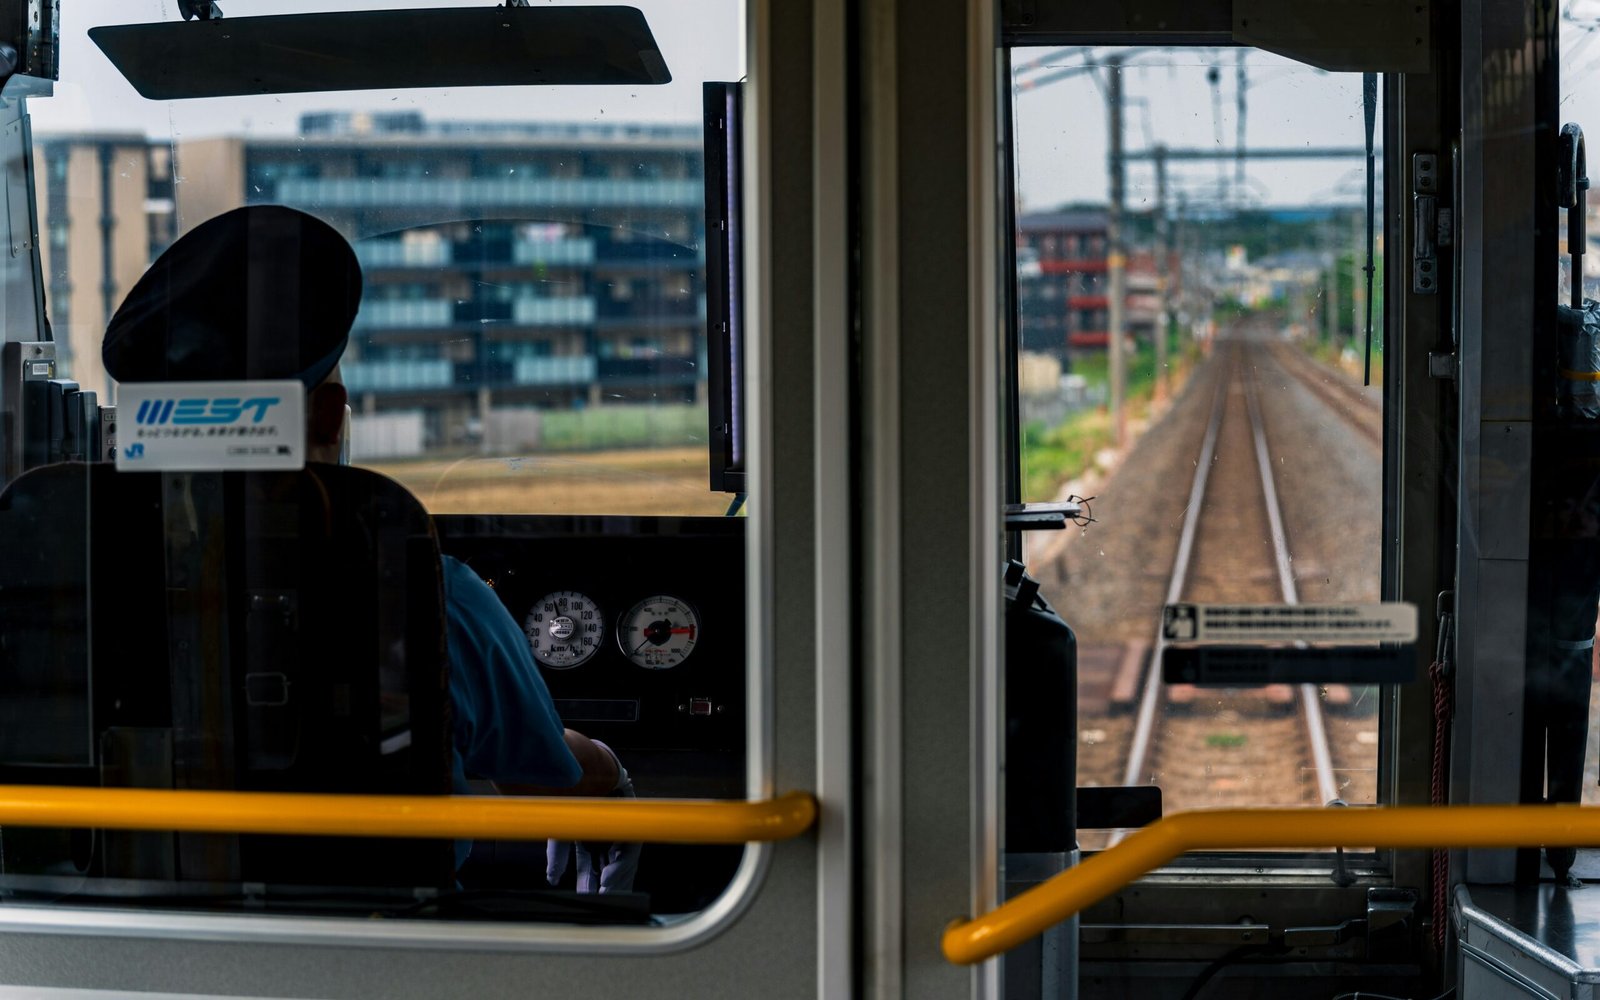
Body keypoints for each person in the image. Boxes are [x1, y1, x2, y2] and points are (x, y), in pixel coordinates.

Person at [100, 204, 639, 893]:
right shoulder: (426, 589)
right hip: (387, 950)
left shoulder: (84, 585)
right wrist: (614, 777)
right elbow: (543, 771)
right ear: (330, 416)